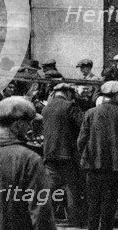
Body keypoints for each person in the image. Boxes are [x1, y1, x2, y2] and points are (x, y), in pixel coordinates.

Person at [0, 96, 56, 230]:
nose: (29, 128)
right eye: (28, 123)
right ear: (17, 124)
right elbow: (41, 213)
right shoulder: (30, 159)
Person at [78, 81, 118, 230]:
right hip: (114, 169)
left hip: (92, 166)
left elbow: (81, 140)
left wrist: (85, 157)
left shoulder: (90, 113)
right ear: (116, 95)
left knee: (93, 205)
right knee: (108, 207)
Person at [42, 83, 86, 227]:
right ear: (68, 93)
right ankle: (75, 222)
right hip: (67, 154)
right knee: (72, 188)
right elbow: (83, 125)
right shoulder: (70, 106)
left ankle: (47, 220)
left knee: (51, 188)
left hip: (49, 154)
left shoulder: (46, 108)